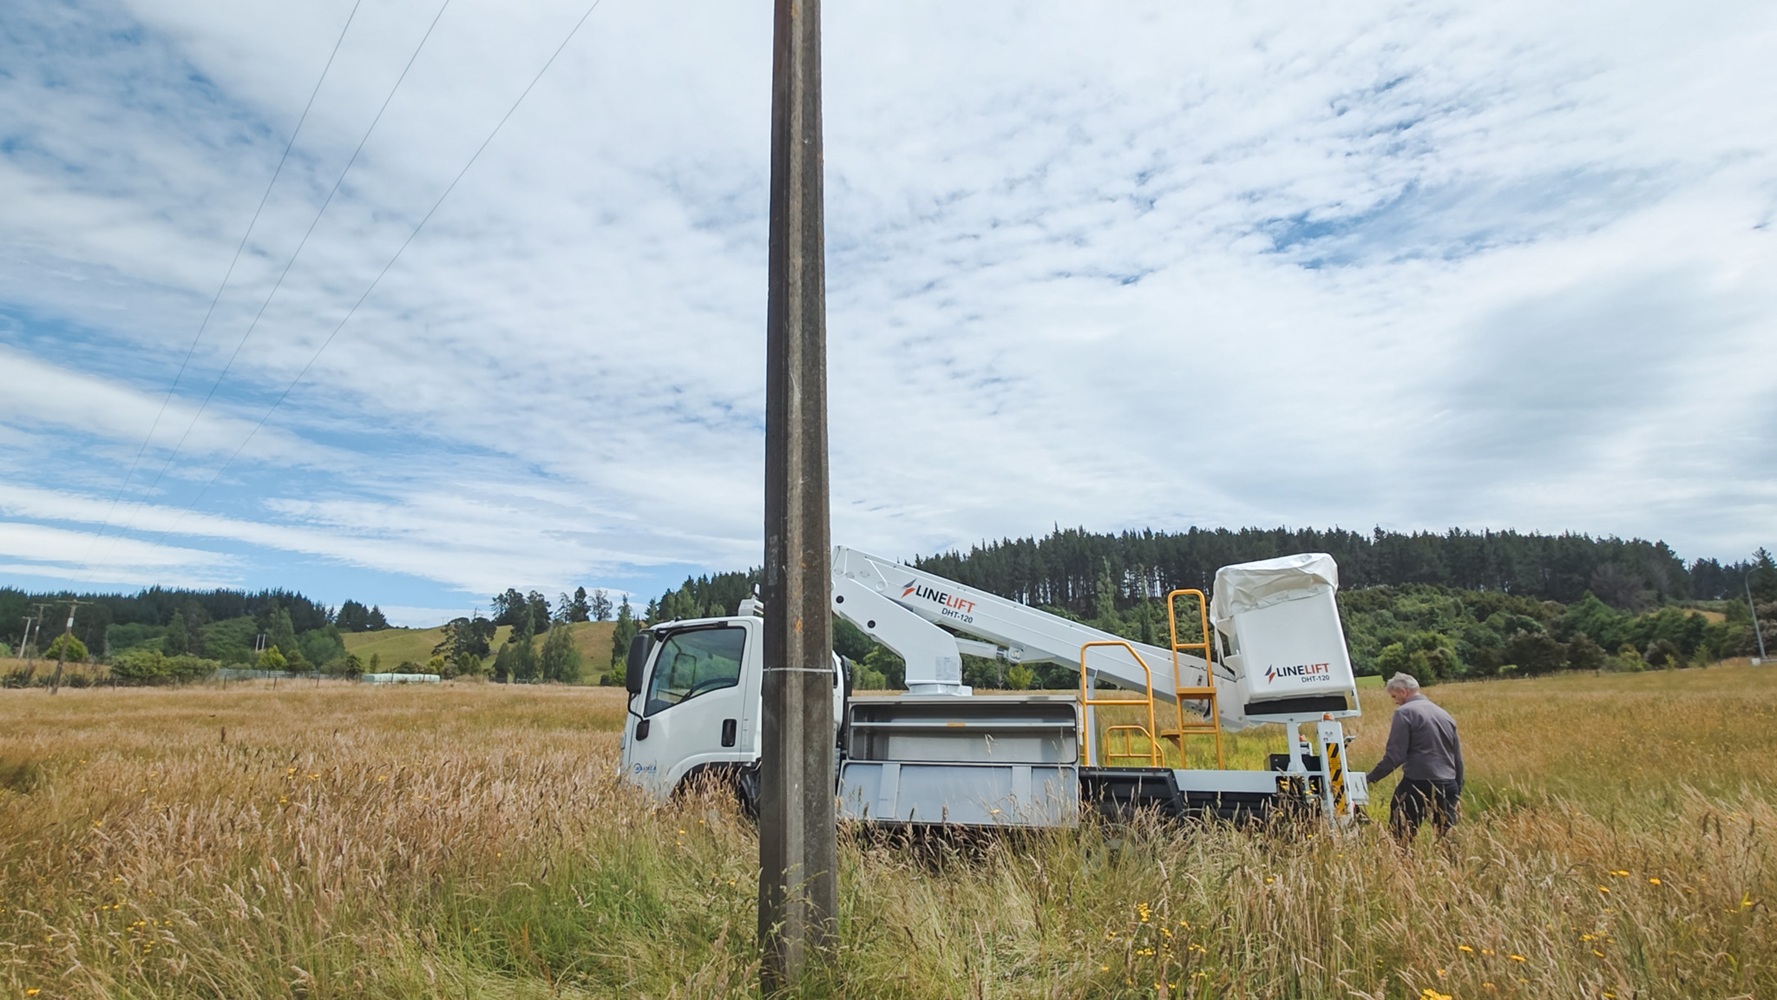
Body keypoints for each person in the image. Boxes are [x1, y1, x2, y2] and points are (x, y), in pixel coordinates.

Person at [1366, 672, 1463, 843]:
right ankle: (1453, 868)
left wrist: (1369, 779)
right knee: (1447, 839)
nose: (1395, 700)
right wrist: (1457, 787)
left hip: (1418, 783)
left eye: (1394, 696)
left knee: (1399, 836)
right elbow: (1457, 756)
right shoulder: (1443, 714)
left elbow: (1395, 756)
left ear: (1403, 692)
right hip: (1448, 784)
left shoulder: (1404, 713)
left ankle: (1402, 867)